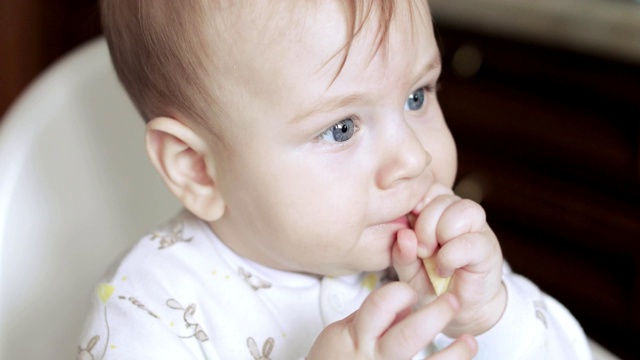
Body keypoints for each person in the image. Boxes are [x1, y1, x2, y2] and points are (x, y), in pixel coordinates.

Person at [77, 1, 592, 359]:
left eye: (417, 96)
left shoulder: (435, 262)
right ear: (198, 168)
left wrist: (490, 318)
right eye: (341, 128)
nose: (413, 158)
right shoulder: (147, 313)